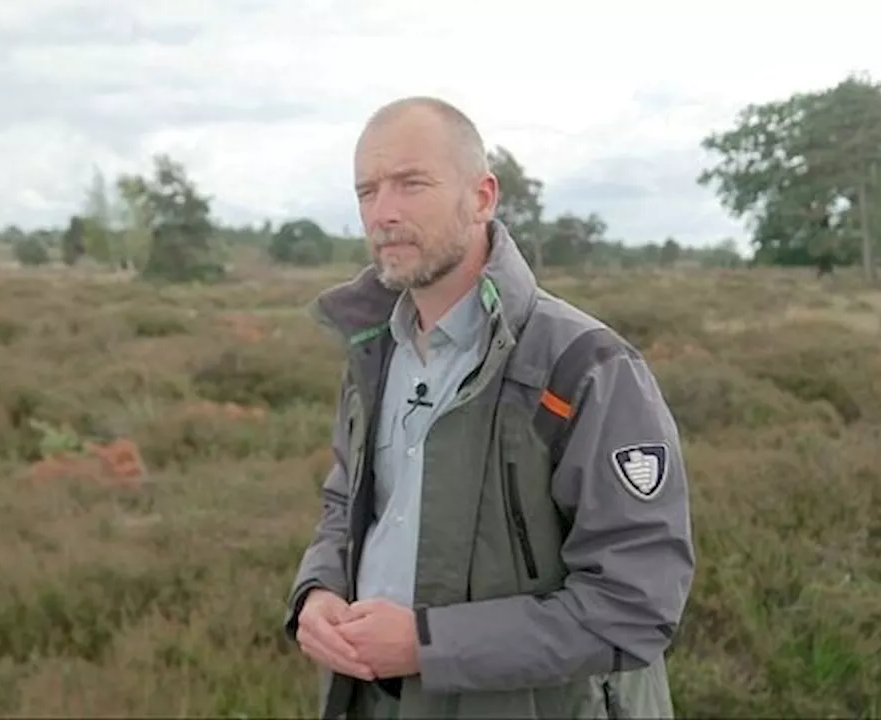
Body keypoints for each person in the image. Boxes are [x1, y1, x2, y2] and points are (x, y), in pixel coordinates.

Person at [283, 96, 696, 719]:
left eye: (411, 183)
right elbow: (346, 505)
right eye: (367, 191)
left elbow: (633, 607)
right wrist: (316, 592)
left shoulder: (585, 368)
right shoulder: (374, 353)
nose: (384, 212)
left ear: (482, 197)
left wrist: (426, 645)